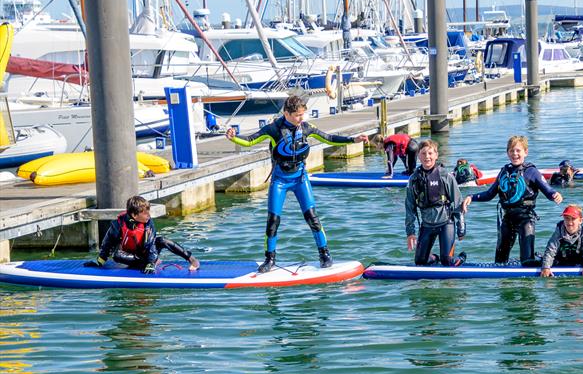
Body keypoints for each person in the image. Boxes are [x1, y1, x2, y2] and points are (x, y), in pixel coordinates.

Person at [226, 96, 369, 273]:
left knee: (312, 217)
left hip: (300, 178)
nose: (301, 118)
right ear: (286, 113)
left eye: (303, 114)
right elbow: (250, 140)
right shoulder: (273, 129)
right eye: (297, 115)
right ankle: (269, 259)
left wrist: (352, 140)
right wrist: (234, 138)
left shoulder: (306, 127)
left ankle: (325, 254)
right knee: (273, 221)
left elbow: (329, 138)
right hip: (280, 180)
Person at [462, 135, 563, 266]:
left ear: (525, 152)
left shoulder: (531, 171)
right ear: (507, 153)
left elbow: (547, 190)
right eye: (511, 151)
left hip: (526, 218)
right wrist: (471, 197)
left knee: (527, 262)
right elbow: (489, 194)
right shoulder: (504, 171)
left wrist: (555, 195)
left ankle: (538, 263)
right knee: (499, 261)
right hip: (507, 218)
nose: (515, 154)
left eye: (518, 150)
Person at [84, 196, 199, 273]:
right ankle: (146, 263)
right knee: (116, 255)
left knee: (162, 240)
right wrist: (100, 261)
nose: (149, 215)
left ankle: (192, 259)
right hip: (132, 257)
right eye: (146, 213)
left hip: (147, 253)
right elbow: (108, 242)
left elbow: (151, 245)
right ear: (134, 215)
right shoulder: (118, 224)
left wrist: (150, 263)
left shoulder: (148, 223)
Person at [406, 139, 467, 266]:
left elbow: (458, 202)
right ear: (418, 156)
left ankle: (460, 258)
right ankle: (435, 257)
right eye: (423, 154)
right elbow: (410, 207)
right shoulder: (414, 179)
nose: (427, 157)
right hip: (427, 225)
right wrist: (410, 232)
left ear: (436, 155)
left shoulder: (445, 176)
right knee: (420, 262)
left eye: (430, 153)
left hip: (446, 224)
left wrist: (461, 228)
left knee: (448, 262)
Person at [541, 204, 583, 277]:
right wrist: (546, 267)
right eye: (567, 218)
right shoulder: (558, 233)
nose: (570, 222)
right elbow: (550, 251)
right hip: (560, 262)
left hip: (579, 262)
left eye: (573, 218)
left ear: (580, 220)